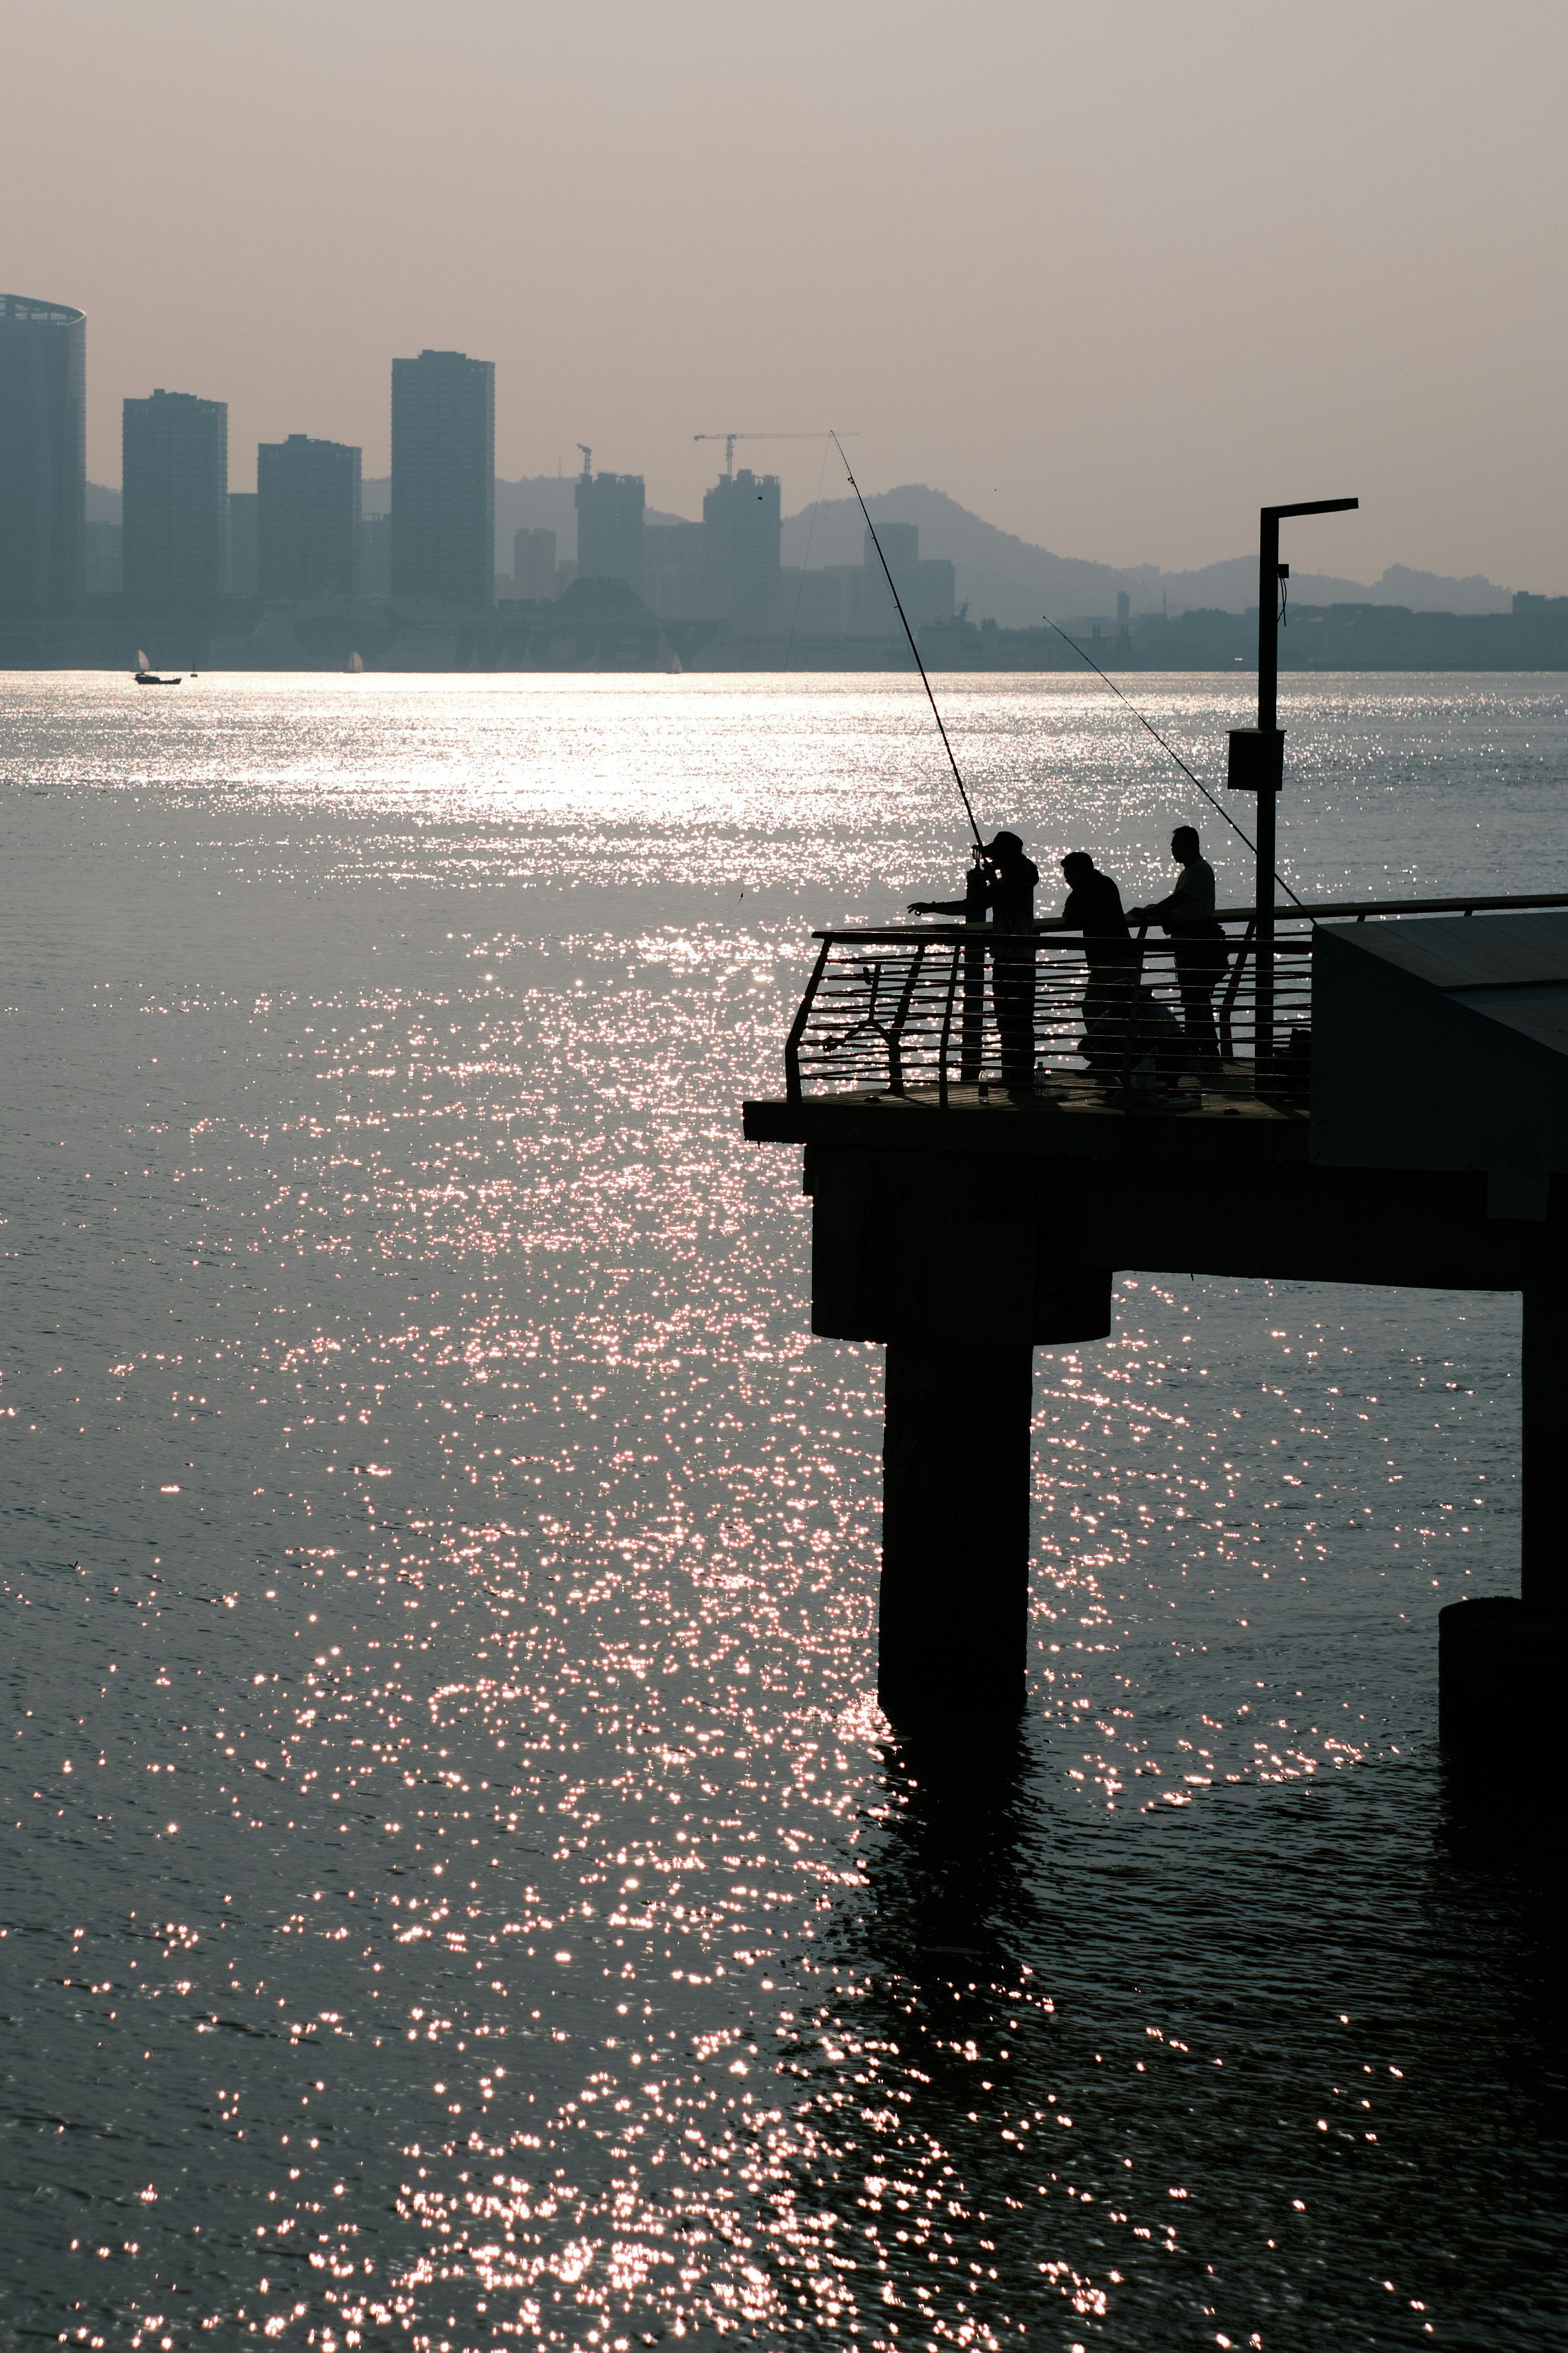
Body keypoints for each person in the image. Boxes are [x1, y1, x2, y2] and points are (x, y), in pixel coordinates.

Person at [909, 831, 1039, 1088]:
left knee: (1016, 1022)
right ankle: (1017, 1074)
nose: (995, 861)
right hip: (1009, 958)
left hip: (1015, 958)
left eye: (998, 856)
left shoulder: (1019, 879)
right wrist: (984, 875)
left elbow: (998, 901)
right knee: (1011, 1022)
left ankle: (1020, 1075)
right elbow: (977, 904)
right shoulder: (1012, 879)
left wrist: (989, 876)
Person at [1128, 827, 1228, 1070]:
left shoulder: (1198, 871)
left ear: (1193, 845)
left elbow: (1180, 899)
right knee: (1196, 998)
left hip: (1195, 944)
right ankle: (1202, 1050)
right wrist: (1161, 910)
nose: (1174, 850)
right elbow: (1181, 903)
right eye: (1173, 846)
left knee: (1196, 998)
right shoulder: (1193, 871)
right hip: (1190, 942)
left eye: (1178, 845)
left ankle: (1205, 1051)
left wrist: (1151, 912)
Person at [1057, 849, 1138, 1076]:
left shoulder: (1084, 888)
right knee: (1121, 1011)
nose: (1067, 878)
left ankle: (1104, 1058)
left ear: (1083, 870)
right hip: (1125, 953)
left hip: (1107, 959)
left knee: (1093, 1007)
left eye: (1070, 873)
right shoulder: (1106, 883)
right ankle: (1119, 1057)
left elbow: (1069, 917)